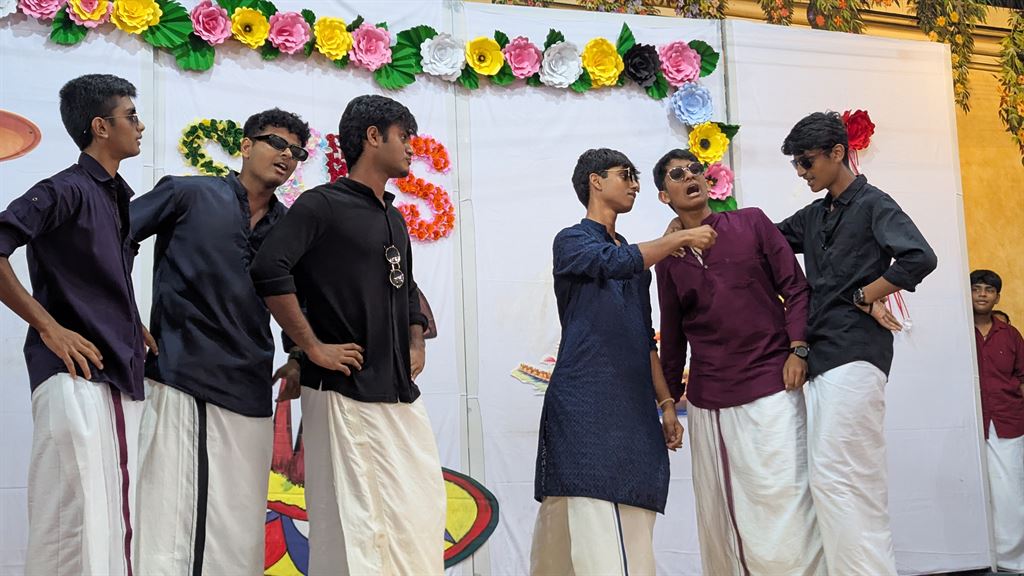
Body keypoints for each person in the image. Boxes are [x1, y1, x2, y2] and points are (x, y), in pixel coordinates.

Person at [251, 95, 445, 575]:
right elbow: (269, 269)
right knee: (356, 525)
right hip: (343, 390)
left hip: (397, 391)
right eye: (404, 137)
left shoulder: (392, 217)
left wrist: (415, 339)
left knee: (418, 512)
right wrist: (311, 347)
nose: (411, 148)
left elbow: (406, 287)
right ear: (373, 137)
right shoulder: (322, 204)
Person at [129, 108, 310, 574]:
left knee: (239, 522)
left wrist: (297, 355)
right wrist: (122, 313)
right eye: (276, 143)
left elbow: (301, 297)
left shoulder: (290, 227)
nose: (286, 156)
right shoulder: (188, 193)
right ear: (246, 146)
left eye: (297, 152)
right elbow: (111, 236)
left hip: (250, 385)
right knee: (170, 515)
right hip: (180, 375)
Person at [530, 148, 714, 575]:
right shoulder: (572, 240)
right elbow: (611, 262)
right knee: (581, 520)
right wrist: (677, 239)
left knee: (628, 523)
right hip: (585, 405)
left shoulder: (636, 260)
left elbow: (644, 337)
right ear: (595, 181)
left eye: (635, 177)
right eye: (625, 174)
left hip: (632, 409)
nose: (634, 184)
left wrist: (666, 404)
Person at [0, 74, 150, 576]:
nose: (140, 126)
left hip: (105, 374)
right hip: (79, 376)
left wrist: (133, 322)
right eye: (131, 116)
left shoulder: (114, 197)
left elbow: (97, 276)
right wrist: (49, 327)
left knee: (94, 521)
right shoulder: (65, 188)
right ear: (100, 127)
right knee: (80, 520)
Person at [776, 111, 938, 574]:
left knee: (846, 478)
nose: (801, 172)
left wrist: (866, 295)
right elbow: (764, 239)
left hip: (857, 354)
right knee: (829, 479)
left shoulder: (874, 204)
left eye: (807, 161)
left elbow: (920, 257)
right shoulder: (816, 214)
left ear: (837, 152)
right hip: (822, 355)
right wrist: (693, 226)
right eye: (796, 164)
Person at [655, 149, 824, 575]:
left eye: (696, 169)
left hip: (773, 383)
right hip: (711, 400)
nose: (690, 176)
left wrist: (798, 348)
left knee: (787, 498)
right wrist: (668, 403)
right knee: (723, 513)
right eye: (678, 174)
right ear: (664, 196)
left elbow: (796, 288)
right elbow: (673, 336)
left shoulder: (751, 223)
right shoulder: (668, 259)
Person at [970, 269, 1024, 572]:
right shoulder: (957, 332)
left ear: (997, 297)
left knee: (1009, 492)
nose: (982, 294)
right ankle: (976, 556)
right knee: (971, 490)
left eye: (989, 290)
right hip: (968, 423)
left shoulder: (1011, 335)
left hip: (1008, 421)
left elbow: (1022, 377)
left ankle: (1011, 560)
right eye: (976, 288)